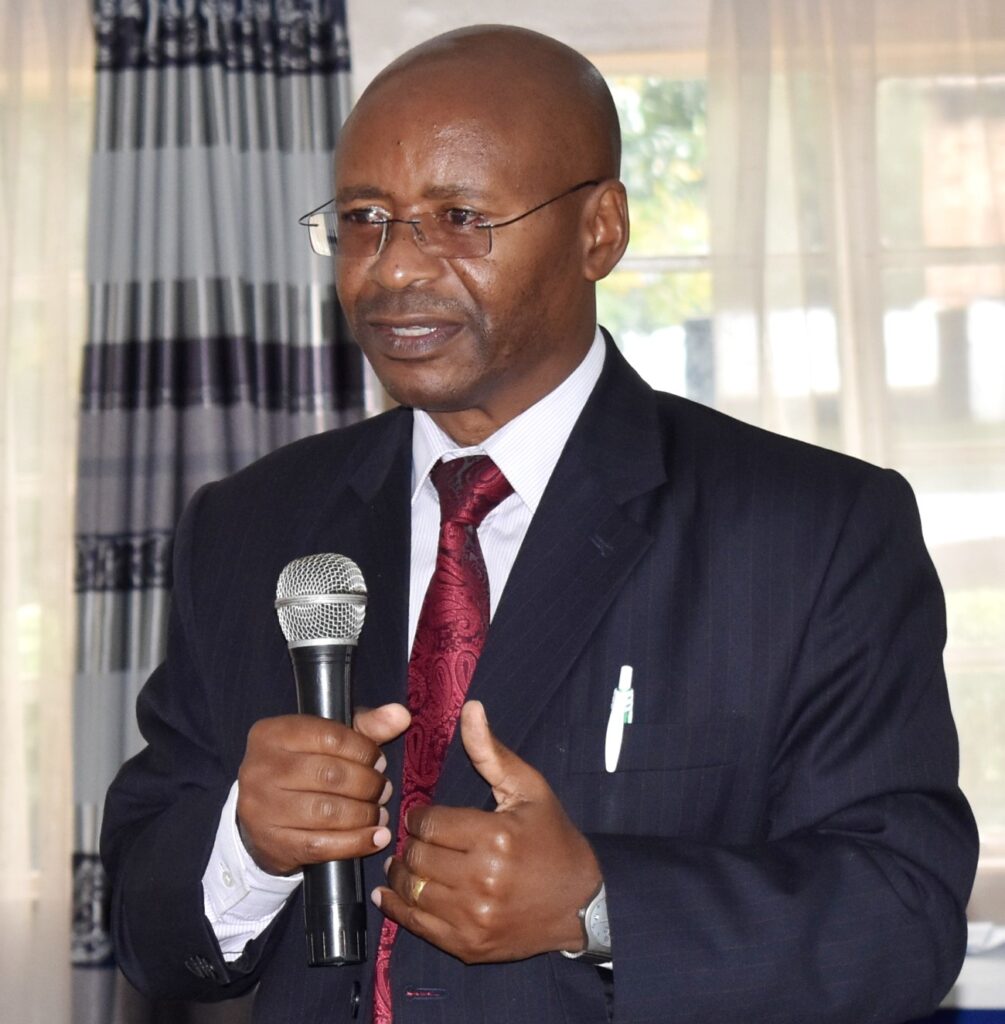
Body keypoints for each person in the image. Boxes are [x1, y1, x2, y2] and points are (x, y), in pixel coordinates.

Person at [101, 24, 978, 1024]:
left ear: (599, 230)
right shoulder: (251, 525)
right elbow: (140, 916)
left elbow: (901, 916)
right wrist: (245, 847)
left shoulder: (812, 531)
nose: (392, 270)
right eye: (363, 218)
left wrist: (598, 904)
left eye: (460, 216)